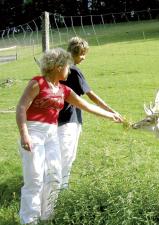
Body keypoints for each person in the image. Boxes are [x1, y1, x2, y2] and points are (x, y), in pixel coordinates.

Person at [16, 48, 123, 225]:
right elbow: (21, 108)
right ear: (58, 67)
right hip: (33, 132)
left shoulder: (64, 90)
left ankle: (47, 216)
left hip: (51, 134)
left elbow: (87, 106)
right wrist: (24, 133)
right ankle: (29, 220)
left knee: (55, 175)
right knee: (34, 178)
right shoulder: (37, 83)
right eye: (67, 66)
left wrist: (111, 115)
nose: (69, 70)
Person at [58, 37, 122, 189]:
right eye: (82, 54)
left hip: (54, 118)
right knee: (67, 157)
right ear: (75, 53)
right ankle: (60, 191)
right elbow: (91, 96)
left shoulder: (57, 67)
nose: (84, 58)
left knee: (57, 155)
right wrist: (112, 111)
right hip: (69, 119)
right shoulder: (73, 71)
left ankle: (55, 187)